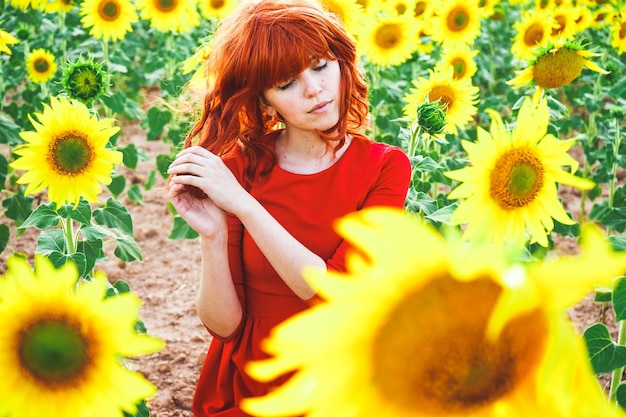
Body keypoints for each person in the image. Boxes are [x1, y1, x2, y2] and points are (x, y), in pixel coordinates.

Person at [167, 0, 412, 415]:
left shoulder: (384, 168)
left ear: (342, 63)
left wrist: (244, 206)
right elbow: (224, 325)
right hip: (253, 380)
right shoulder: (241, 169)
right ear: (264, 101)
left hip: (338, 377)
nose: (314, 89)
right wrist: (211, 235)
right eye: (286, 83)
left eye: (320, 66)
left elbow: (329, 290)